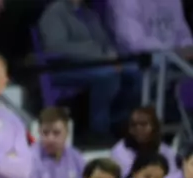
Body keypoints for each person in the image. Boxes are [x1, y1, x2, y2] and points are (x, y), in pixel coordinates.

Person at [38, 0, 141, 143]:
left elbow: (104, 42)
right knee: (108, 76)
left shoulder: (89, 13)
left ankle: (120, 122)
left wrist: (113, 57)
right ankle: (99, 131)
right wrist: (102, 57)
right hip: (66, 68)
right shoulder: (54, 13)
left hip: (99, 63)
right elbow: (57, 47)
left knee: (134, 72)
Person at [16, 105, 84, 178]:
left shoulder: (77, 159)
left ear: (67, 133)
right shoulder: (30, 158)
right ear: (39, 132)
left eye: (56, 133)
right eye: (45, 133)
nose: (50, 139)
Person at [110, 106, 176, 178]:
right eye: (133, 125)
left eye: (143, 124)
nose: (138, 129)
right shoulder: (119, 150)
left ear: (154, 127)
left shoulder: (167, 151)